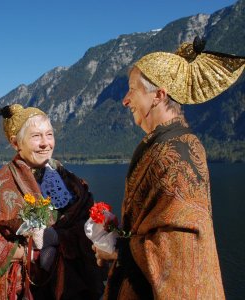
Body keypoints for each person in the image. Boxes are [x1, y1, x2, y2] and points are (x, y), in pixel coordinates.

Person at [93, 37, 245, 299]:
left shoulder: (176, 156)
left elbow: (180, 251)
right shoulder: (170, 145)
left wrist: (118, 249)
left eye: (132, 90)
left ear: (159, 95)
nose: (125, 100)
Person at [0, 104, 107, 300]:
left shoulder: (69, 180)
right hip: (24, 288)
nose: (46, 143)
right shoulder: (0, 184)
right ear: (15, 144)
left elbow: (88, 223)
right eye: (36, 136)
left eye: (49, 134)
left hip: (71, 286)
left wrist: (56, 238)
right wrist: (28, 253)